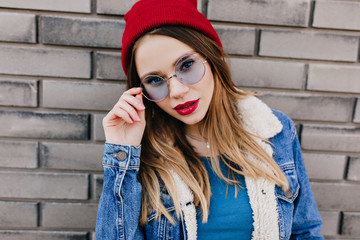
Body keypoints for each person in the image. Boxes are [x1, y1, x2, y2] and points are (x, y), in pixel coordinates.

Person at [95, 0, 324, 239]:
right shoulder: (141, 157)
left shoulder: (275, 132)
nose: (177, 91)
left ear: (213, 57)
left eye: (186, 65)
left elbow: (305, 232)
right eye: (155, 80)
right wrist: (121, 152)